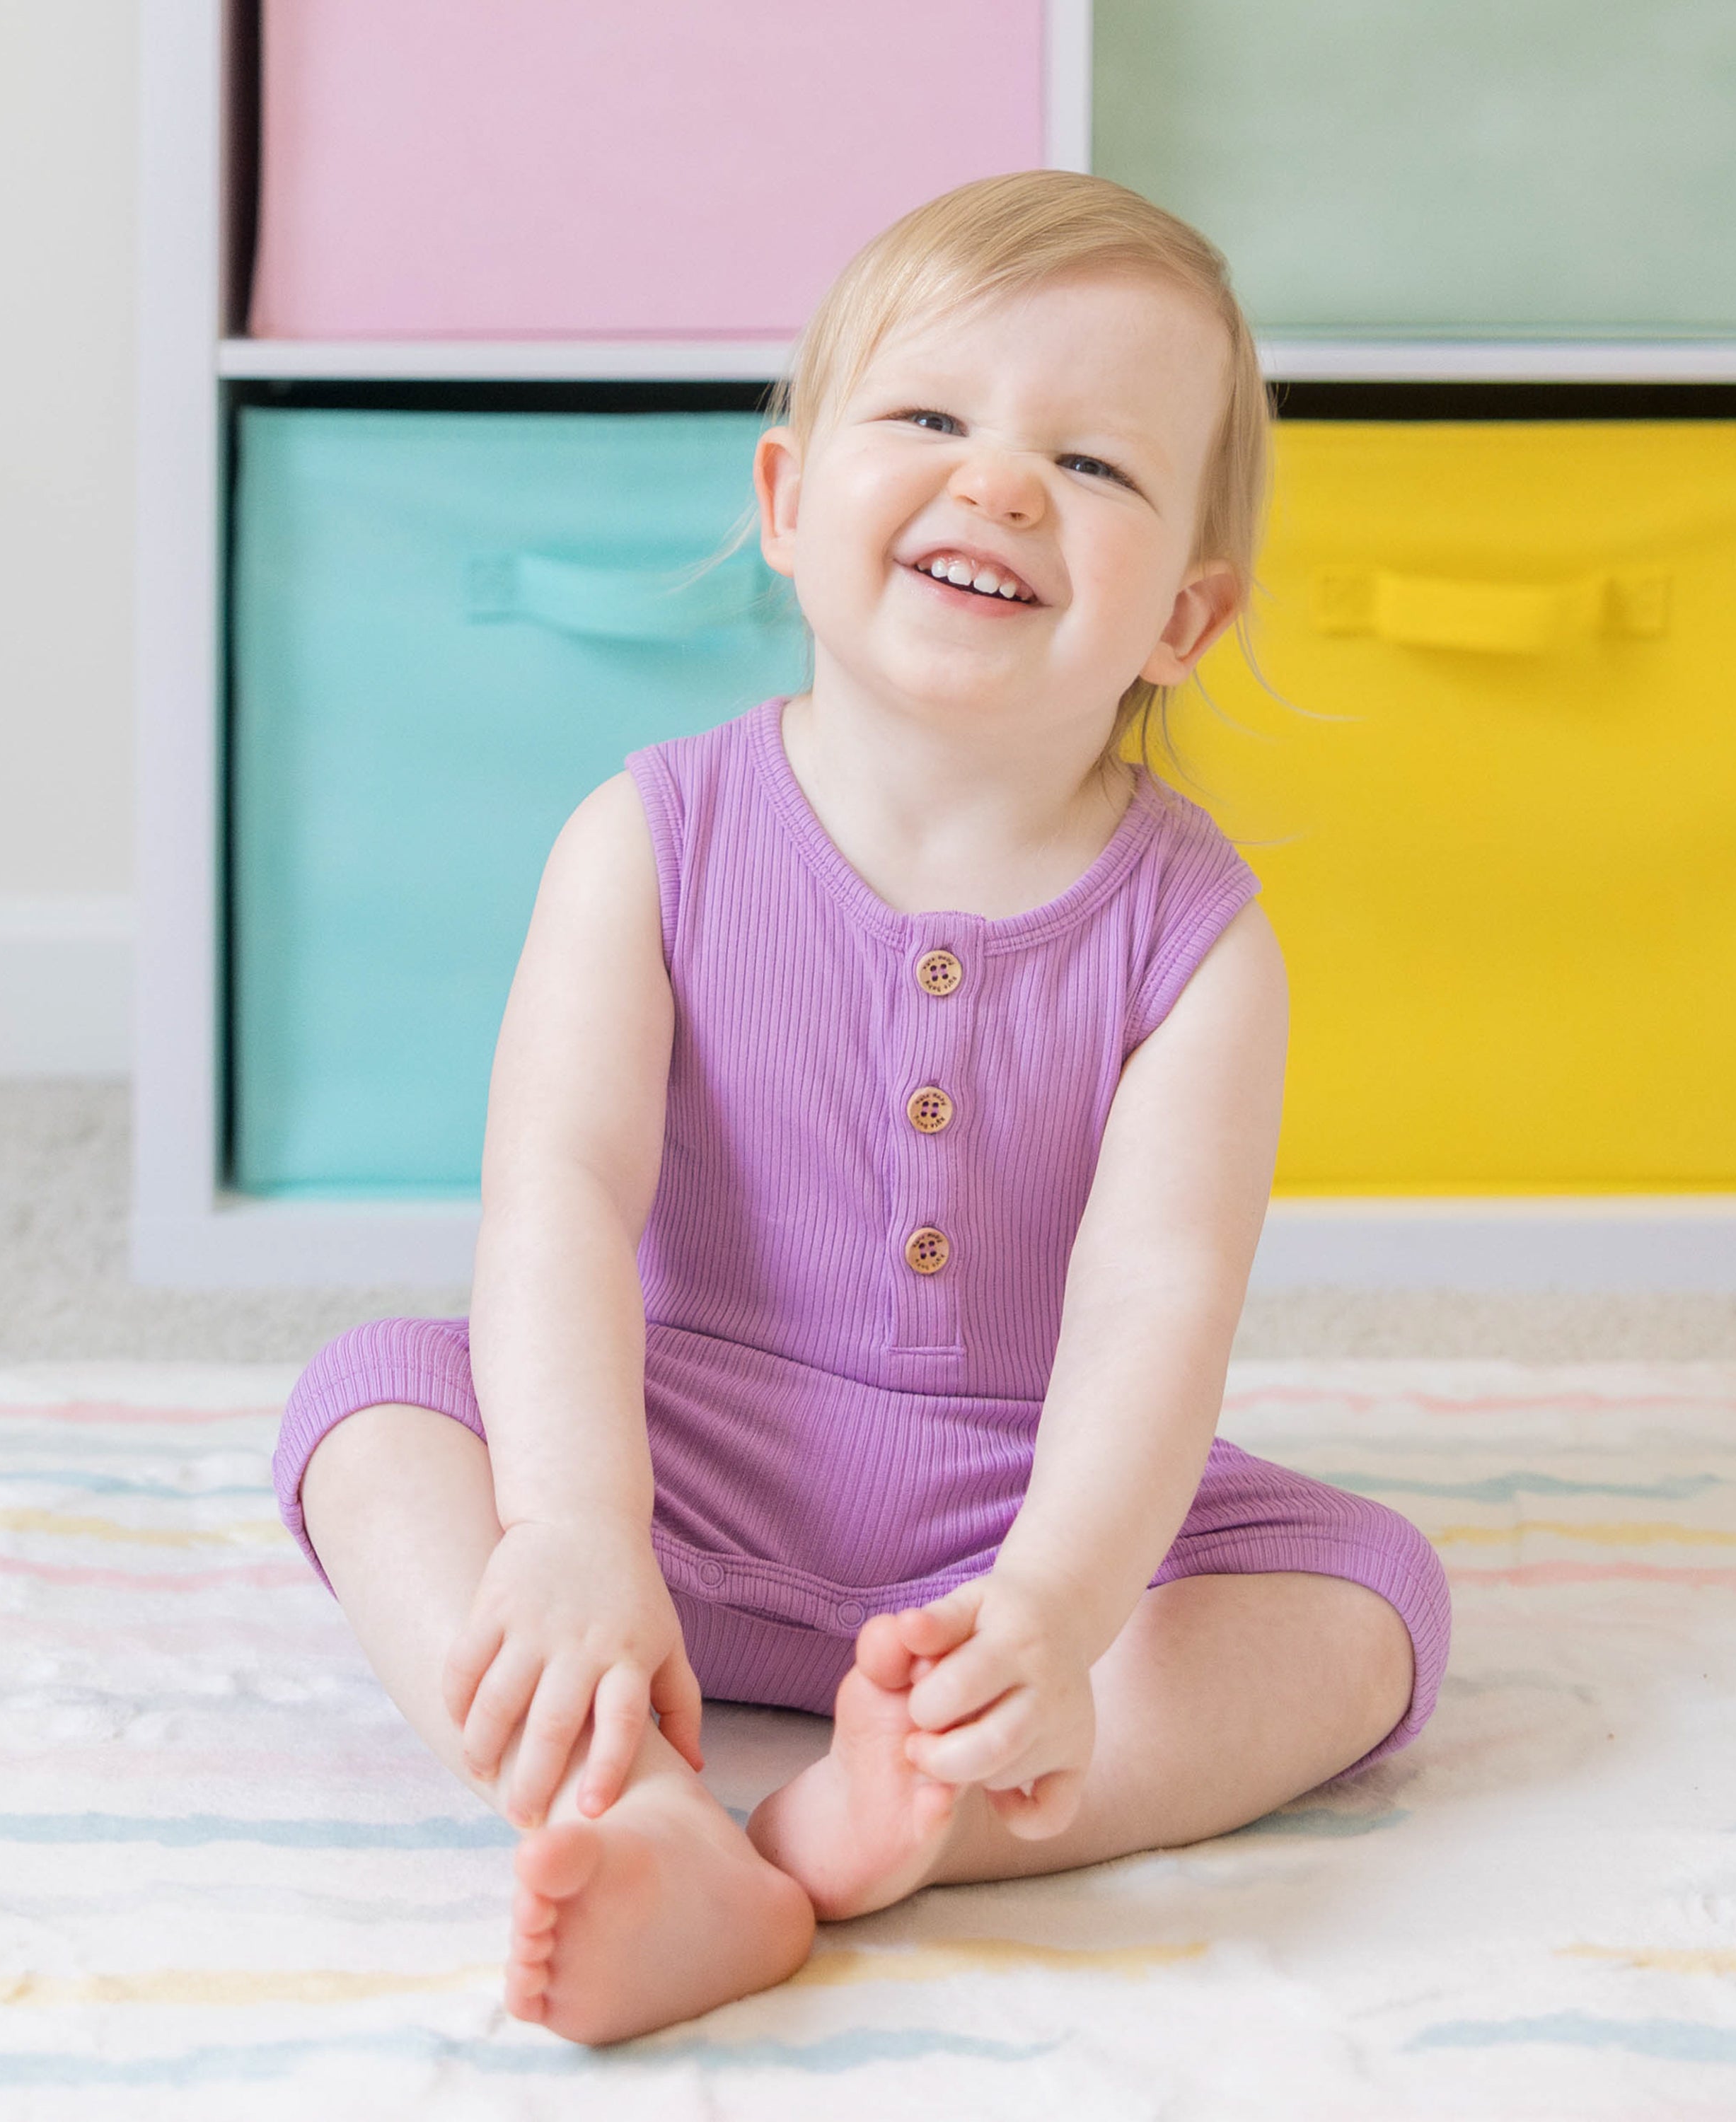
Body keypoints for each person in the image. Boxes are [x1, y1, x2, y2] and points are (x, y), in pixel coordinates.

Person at [272, 170, 1449, 2046]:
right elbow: (560, 1200)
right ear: (784, 501)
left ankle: (884, 1825)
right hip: (668, 1467)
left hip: (1010, 1517)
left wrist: (1058, 1614)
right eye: (930, 419)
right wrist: (575, 1530)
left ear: (1184, 619)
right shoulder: (650, 840)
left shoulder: (1201, 946)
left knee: (1367, 1604)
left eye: (1093, 463)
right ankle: (626, 1801)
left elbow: (1158, 1313)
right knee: (375, 1408)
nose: (998, 483)